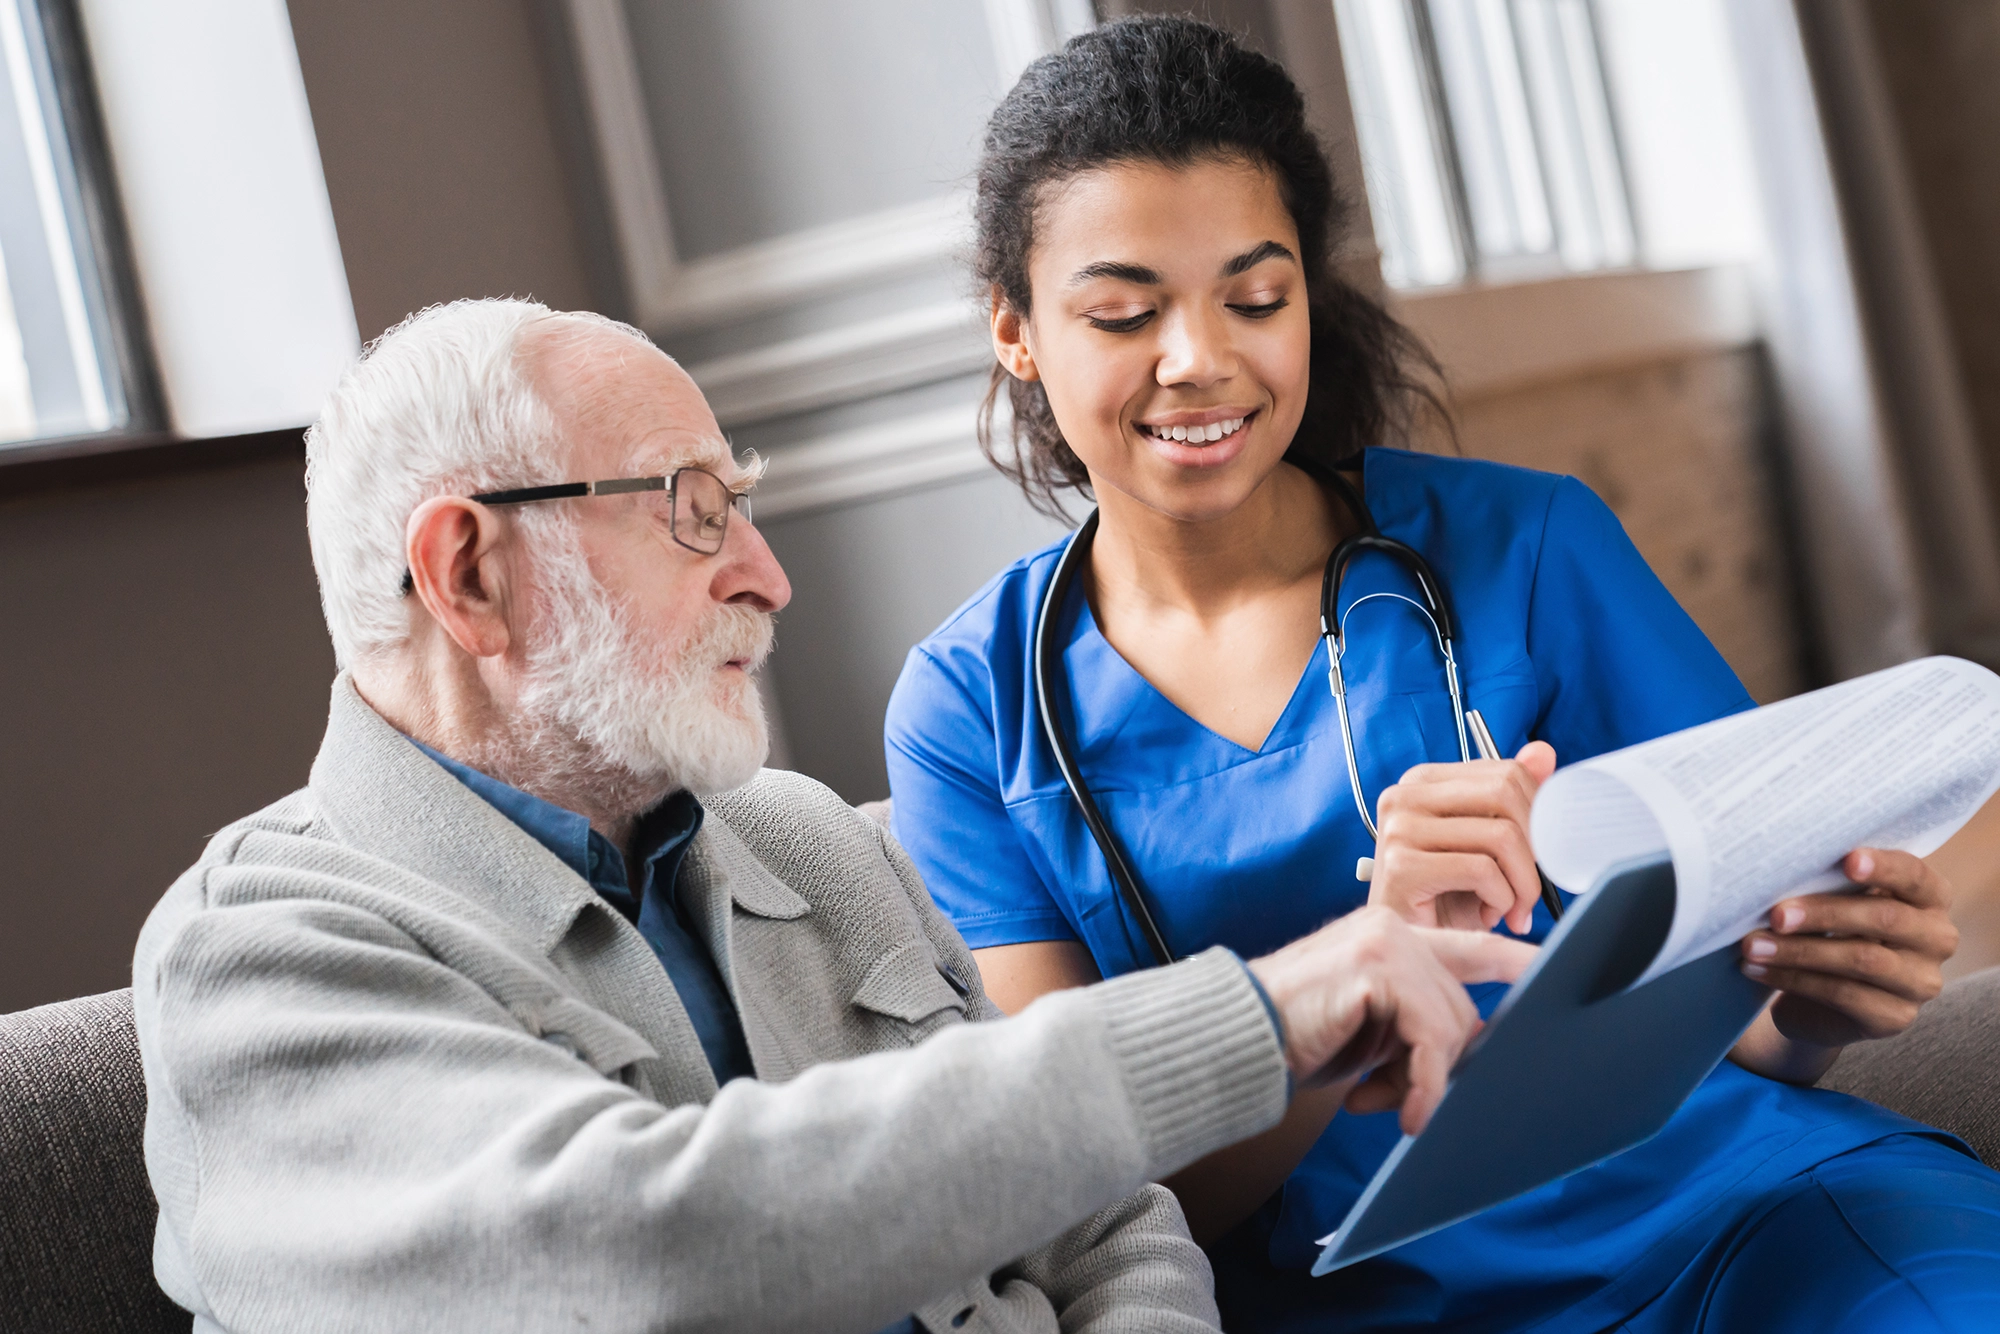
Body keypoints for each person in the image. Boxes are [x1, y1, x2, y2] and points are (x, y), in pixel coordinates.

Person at [883, 17, 2000, 1334]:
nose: (1202, 359)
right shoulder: (971, 713)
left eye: (1257, 297)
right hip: (1366, 1297)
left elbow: (1748, 1003)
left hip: (1740, 1216)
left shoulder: (1525, 546)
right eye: (1125, 311)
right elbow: (1097, 1194)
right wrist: (1358, 970)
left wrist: (1815, 997)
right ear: (1015, 330)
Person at [132, 298, 1534, 1334]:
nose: (767, 573)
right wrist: (1254, 1014)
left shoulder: (809, 838)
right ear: (468, 570)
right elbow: (656, 1252)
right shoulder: (253, 959)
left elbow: (1109, 1223)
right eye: (692, 509)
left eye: (740, 503)